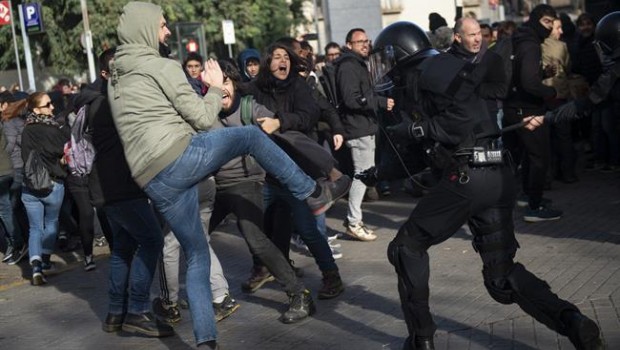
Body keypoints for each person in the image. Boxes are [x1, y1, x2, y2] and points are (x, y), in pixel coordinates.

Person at [109, 2, 349, 347]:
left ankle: (206, 340)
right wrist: (214, 87)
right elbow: (204, 119)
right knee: (251, 135)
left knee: (197, 253)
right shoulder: (161, 66)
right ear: (147, 28)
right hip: (177, 158)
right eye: (162, 25)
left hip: (152, 180)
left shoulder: (118, 75)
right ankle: (313, 193)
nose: (166, 31)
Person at [367, 20, 603, 350]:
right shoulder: (438, 69)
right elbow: (441, 138)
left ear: (401, 52)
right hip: (494, 173)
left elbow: (457, 123)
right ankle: (573, 322)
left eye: (386, 58)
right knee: (501, 279)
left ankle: (421, 340)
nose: (385, 68)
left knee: (406, 248)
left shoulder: (430, 69)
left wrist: (416, 130)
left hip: (467, 178)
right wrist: (379, 173)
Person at [502, 4, 563, 222]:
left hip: (512, 107)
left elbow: (523, 75)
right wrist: (551, 90)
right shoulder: (531, 45)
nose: (549, 27)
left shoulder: (519, 39)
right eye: (546, 22)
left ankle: (528, 196)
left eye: (551, 23)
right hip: (527, 111)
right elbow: (528, 83)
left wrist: (542, 73)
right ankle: (534, 208)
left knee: (523, 156)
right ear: (536, 20)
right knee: (539, 158)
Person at [336, 28, 394, 241]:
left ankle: (354, 219)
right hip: (358, 128)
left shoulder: (358, 64)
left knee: (364, 174)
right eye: (359, 41)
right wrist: (379, 102)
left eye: (366, 41)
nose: (365, 44)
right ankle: (353, 221)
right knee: (362, 175)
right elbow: (352, 99)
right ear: (349, 44)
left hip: (364, 126)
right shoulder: (349, 66)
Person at [18, 93, 70, 285]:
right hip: (53, 184)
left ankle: (36, 267)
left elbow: (25, 156)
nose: (52, 107)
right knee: (51, 222)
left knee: (34, 228)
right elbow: (64, 153)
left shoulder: (26, 130)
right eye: (47, 105)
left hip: (30, 185)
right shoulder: (55, 130)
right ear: (36, 109)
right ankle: (46, 260)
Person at [0, 92, 28, 265]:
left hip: (9, 170)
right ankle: (18, 242)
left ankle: (18, 243)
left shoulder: (9, 122)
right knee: (13, 207)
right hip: (11, 169)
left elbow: (10, 145)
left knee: (8, 208)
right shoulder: (10, 121)